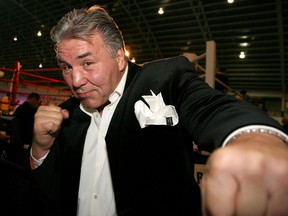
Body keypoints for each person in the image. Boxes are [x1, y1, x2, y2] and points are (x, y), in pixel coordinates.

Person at [27, 5, 288, 216]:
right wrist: (40, 149)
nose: (76, 80)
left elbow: (208, 106)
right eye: (66, 67)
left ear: (119, 57)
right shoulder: (65, 115)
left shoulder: (163, 79)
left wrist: (254, 138)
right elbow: (49, 197)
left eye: (87, 62)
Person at [11, 92, 40, 165]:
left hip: (17, 139)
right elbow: (29, 127)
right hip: (24, 140)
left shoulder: (20, 108)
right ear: (33, 99)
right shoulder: (29, 109)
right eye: (37, 101)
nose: (36, 103)